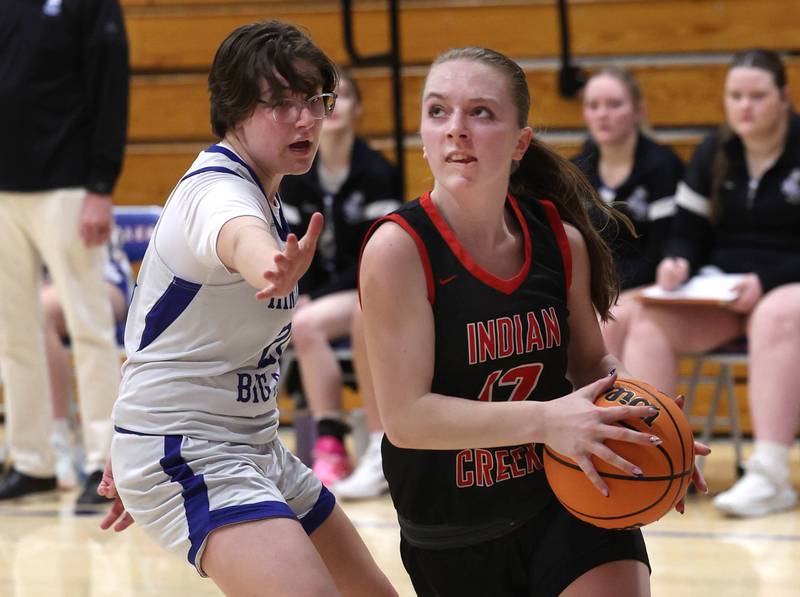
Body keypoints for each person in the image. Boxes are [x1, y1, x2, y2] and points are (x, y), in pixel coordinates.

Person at [358, 46, 708, 596]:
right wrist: (546, 420)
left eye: (481, 112)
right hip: (453, 525)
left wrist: (652, 427)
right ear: (422, 136)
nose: (456, 130)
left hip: (568, 495)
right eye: (438, 112)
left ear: (520, 141)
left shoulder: (559, 239)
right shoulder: (399, 250)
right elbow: (406, 419)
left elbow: (593, 364)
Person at [95, 21, 396, 596]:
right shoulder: (220, 193)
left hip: (251, 445)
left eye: (314, 99)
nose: (307, 118)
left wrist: (130, 436)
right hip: (188, 448)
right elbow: (240, 238)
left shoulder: (268, 186)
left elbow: (161, 325)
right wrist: (270, 265)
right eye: (283, 103)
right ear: (235, 109)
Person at [622, 48, 800, 519]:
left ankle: (771, 474)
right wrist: (677, 261)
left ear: (784, 96)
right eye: (735, 96)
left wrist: (768, 280)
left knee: (779, 313)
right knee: (648, 318)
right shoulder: (713, 151)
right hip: (724, 288)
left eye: (757, 96)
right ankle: (656, 462)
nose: (744, 106)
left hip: (788, 286)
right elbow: (686, 231)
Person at [0, 0, 129, 507]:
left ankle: (103, 461)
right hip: (4, 191)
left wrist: (101, 183)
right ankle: (32, 460)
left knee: (89, 326)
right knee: (13, 330)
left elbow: (110, 88)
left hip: (70, 186)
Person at [280, 71, 400, 487]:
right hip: (321, 295)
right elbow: (295, 247)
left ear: (358, 109)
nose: (331, 107)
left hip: (370, 286)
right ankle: (328, 447)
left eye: (342, 96)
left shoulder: (377, 171)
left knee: (308, 322)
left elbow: (375, 255)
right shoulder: (296, 175)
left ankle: (354, 443)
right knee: (301, 323)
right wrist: (304, 292)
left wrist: (314, 296)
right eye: (318, 100)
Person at [572, 67, 684, 359]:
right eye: (593, 106)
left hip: (647, 290)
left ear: (638, 110)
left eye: (614, 104)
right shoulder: (575, 171)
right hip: (596, 294)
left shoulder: (662, 166)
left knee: (611, 324)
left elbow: (664, 245)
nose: (602, 114)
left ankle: (635, 404)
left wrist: (614, 293)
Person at [45, 236, 133, 489]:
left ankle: (60, 446)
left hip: (106, 282)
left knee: (42, 312)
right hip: (42, 288)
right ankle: (43, 450)